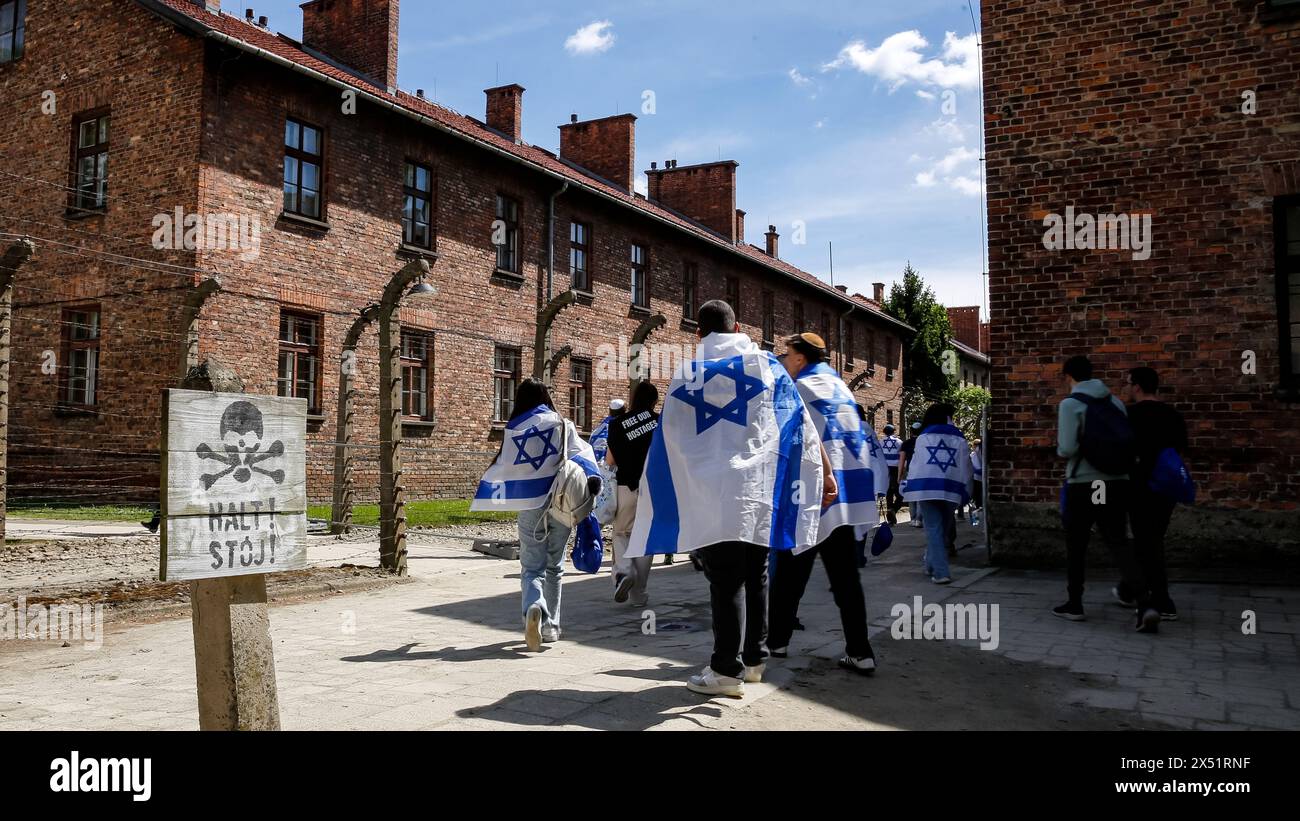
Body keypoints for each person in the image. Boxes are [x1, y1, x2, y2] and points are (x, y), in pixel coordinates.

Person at [625, 300, 832, 698]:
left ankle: (724, 670)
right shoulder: (768, 366)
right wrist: (821, 470)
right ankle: (754, 660)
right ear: (737, 326)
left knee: (724, 582)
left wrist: (682, 485)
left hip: (712, 493)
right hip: (756, 489)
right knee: (756, 573)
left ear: (699, 334)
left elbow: (672, 437)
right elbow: (798, 421)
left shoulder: (687, 373)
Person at [768, 333, 885, 674]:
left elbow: (782, 438)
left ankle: (777, 641)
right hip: (846, 496)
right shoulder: (841, 388)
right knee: (846, 578)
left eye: (786, 354)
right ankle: (860, 651)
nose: (783, 360)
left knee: (790, 570)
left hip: (812, 492)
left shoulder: (798, 388)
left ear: (800, 358)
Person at [470, 379, 602, 651]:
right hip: (561, 501)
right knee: (554, 566)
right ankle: (551, 626)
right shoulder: (561, 424)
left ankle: (534, 605)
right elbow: (584, 455)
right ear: (546, 397)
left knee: (532, 566)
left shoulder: (516, 428)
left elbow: (506, 466)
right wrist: (592, 480)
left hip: (531, 505)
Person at [1053, 355, 1159, 633]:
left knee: (1076, 545)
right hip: (1116, 482)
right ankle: (1145, 603)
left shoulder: (1071, 404)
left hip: (1084, 482)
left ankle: (1075, 604)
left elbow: (1066, 448)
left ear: (1068, 377)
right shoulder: (1114, 402)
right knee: (1119, 543)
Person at [1119, 367, 1186, 620]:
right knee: (1152, 539)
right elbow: (1180, 450)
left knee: (1147, 542)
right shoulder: (1173, 416)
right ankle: (1129, 589)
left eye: (1128, 383)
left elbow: (1122, 450)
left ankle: (1161, 600)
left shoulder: (1129, 415)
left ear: (1136, 386)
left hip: (1139, 485)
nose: (1126, 388)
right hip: (1167, 485)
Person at [605, 380, 661, 608]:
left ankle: (624, 572)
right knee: (645, 540)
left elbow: (610, 460)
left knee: (621, 533)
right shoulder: (660, 423)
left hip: (625, 486)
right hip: (653, 489)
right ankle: (639, 594)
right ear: (654, 402)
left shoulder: (618, 424)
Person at [902, 403, 972, 584]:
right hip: (951, 487)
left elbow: (917, 464)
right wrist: (966, 488)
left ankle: (941, 572)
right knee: (942, 530)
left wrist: (911, 486)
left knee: (934, 529)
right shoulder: (959, 437)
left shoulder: (924, 437)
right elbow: (965, 464)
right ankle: (932, 566)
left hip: (927, 487)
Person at [898, 421, 924, 527]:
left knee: (911, 496)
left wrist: (899, 476)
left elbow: (902, 460)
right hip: (922, 472)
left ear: (911, 431)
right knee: (920, 496)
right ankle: (919, 519)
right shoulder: (924, 442)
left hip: (910, 471)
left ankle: (912, 519)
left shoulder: (906, 443)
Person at [880, 423, 903, 524]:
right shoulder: (899, 442)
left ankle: (890, 513)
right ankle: (894, 508)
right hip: (896, 469)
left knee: (888, 492)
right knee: (900, 493)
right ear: (894, 431)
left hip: (885, 468)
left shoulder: (880, 442)